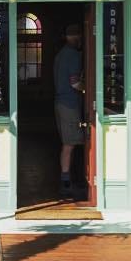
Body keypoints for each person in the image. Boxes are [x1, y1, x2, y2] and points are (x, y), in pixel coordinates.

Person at [53, 22, 85, 200]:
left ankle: (68, 181)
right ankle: (66, 184)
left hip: (61, 102)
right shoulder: (72, 55)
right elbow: (75, 83)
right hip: (69, 104)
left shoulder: (60, 55)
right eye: (75, 35)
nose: (77, 38)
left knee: (68, 143)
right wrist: (89, 89)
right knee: (70, 144)